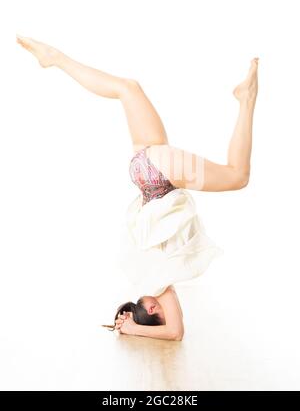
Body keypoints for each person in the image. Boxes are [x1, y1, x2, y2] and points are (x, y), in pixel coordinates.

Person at [16, 34, 259, 341]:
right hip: (148, 171)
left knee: (237, 176)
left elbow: (175, 334)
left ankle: (246, 100)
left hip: (157, 177)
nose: (151, 303)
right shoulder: (159, 282)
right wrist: (133, 327)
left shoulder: (154, 281)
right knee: (127, 88)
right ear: (156, 312)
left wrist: (131, 327)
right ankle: (56, 59)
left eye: (144, 307)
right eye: (151, 309)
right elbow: (174, 329)